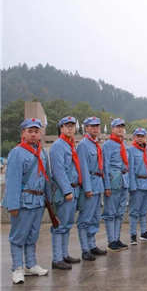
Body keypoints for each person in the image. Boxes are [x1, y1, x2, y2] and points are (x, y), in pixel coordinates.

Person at [3, 118, 50, 283]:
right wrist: (13, 204)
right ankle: (17, 268)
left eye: (36, 131)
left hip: (38, 201)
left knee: (32, 235)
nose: (33, 134)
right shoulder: (17, 152)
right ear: (23, 133)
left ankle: (31, 264)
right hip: (23, 201)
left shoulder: (42, 152)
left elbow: (46, 178)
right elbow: (13, 180)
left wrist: (48, 200)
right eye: (30, 131)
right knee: (18, 236)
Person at [50, 116, 88, 269]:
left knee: (67, 225)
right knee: (59, 226)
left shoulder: (70, 145)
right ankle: (57, 258)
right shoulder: (58, 146)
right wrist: (67, 191)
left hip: (74, 189)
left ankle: (64, 254)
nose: (70, 128)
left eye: (72, 126)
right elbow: (59, 171)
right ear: (61, 128)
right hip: (65, 191)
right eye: (67, 126)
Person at [76, 117, 108, 261]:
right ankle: (85, 248)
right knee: (85, 219)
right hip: (89, 186)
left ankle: (92, 244)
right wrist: (87, 188)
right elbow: (83, 168)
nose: (95, 128)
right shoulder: (83, 144)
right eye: (92, 126)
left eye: (97, 126)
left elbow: (102, 167)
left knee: (95, 218)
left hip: (98, 184)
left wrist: (105, 186)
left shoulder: (96, 144)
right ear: (86, 128)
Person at [102, 118, 130, 252]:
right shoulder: (108, 145)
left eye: (122, 126)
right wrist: (107, 186)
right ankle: (111, 240)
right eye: (117, 127)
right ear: (112, 129)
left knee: (120, 212)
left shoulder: (123, 143)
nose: (120, 129)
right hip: (113, 180)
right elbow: (105, 166)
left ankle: (117, 238)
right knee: (110, 212)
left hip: (123, 180)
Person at [127, 128, 147, 244]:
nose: (140, 138)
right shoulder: (131, 150)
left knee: (144, 210)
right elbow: (130, 169)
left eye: (142, 136)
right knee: (134, 211)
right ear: (134, 137)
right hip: (138, 183)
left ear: (145, 137)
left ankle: (144, 232)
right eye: (138, 136)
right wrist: (132, 186)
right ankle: (133, 234)